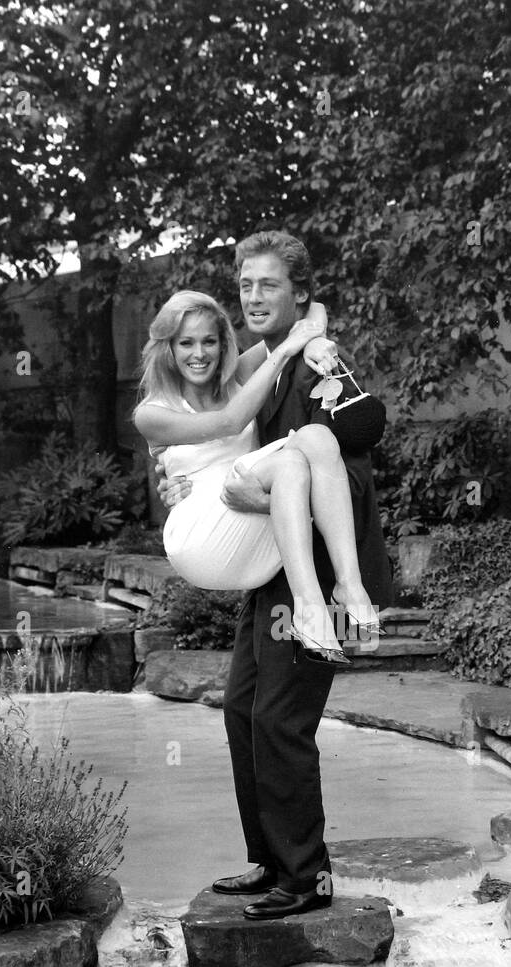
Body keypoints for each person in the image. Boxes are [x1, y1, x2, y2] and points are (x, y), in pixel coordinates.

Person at [157, 230, 393, 921]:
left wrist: (330, 359)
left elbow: (364, 435)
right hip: (272, 571)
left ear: (299, 294)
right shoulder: (267, 369)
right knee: (241, 709)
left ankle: (307, 876)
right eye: (246, 285)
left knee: (280, 718)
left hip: (315, 572)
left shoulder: (317, 362)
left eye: (268, 285)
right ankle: (269, 858)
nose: (254, 297)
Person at [134, 291, 379, 661]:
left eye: (209, 341)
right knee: (294, 458)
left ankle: (348, 586)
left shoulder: (237, 378)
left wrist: (311, 339)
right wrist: (283, 351)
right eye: (185, 343)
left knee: (316, 439)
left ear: (222, 344)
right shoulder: (151, 412)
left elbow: (313, 311)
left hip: (258, 527)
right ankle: (313, 606)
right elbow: (229, 422)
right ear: (167, 347)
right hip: (201, 537)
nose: (198, 354)